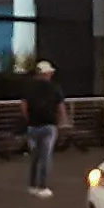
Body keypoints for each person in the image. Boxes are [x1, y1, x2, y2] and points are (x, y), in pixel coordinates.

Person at [22, 60, 65, 198]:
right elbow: (61, 107)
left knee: (35, 157)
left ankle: (32, 185)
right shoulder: (55, 88)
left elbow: (23, 105)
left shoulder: (29, 88)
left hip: (33, 126)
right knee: (46, 156)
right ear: (47, 74)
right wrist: (61, 122)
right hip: (49, 125)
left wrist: (28, 119)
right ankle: (43, 186)